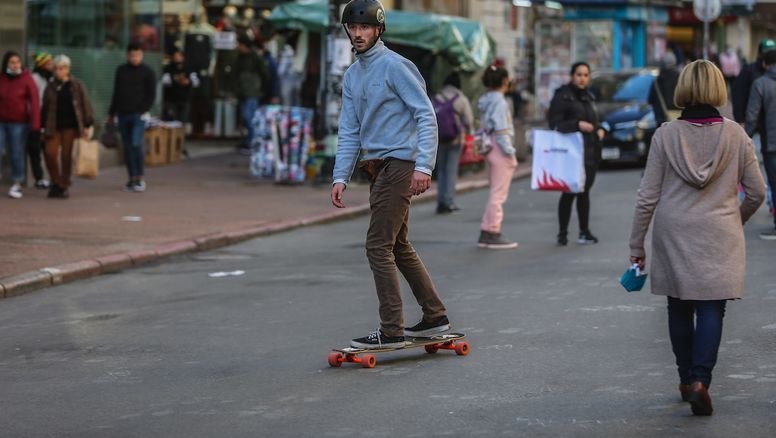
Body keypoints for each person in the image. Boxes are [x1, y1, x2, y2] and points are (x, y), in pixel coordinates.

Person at [630, 60, 766, 416]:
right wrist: (735, 219)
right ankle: (700, 381)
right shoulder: (736, 135)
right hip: (720, 231)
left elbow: (647, 196)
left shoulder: (665, 135)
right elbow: (757, 191)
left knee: (678, 304)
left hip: (674, 231)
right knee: (711, 307)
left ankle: (684, 378)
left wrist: (636, 245)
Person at [331, 0, 450, 349]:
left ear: (378, 30)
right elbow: (349, 129)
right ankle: (434, 316)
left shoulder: (397, 67)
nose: (357, 33)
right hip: (376, 168)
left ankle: (391, 329)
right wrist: (340, 176)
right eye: (352, 28)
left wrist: (424, 166)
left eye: (364, 27)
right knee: (397, 246)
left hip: (400, 164)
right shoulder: (353, 75)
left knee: (377, 246)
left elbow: (426, 117)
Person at [547, 62, 606, 246]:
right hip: (571, 154)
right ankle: (562, 233)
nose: (582, 78)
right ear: (572, 76)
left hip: (590, 151)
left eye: (586, 75)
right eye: (579, 74)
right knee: (569, 192)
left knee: (585, 192)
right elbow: (554, 124)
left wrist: (600, 129)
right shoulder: (562, 95)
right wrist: (577, 125)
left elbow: (595, 121)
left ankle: (584, 231)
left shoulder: (589, 96)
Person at [476, 66, 519, 249]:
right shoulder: (500, 102)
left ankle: (487, 230)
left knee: (495, 191)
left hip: (489, 146)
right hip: (500, 148)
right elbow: (502, 129)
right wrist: (510, 151)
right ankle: (492, 232)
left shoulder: (485, 100)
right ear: (504, 81)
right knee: (498, 194)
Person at [41, 55, 94, 199]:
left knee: (66, 156)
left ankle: (63, 185)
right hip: (53, 125)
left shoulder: (76, 84)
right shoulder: (50, 86)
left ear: (68, 69)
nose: (59, 71)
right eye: (57, 68)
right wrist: (41, 125)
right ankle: (56, 181)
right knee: (50, 153)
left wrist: (87, 124)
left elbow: (85, 104)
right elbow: (44, 107)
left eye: (62, 68)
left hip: (70, 126)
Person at [108, 43, 156, 193]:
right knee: (127, 147)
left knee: (136, 144)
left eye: (138, 55)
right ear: (128, 55)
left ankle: (139, 178)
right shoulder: (121, 71)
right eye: (132, 55)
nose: (135, 58)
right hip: (123, 114)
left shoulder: (148, 72)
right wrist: (111, 113)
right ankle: (131, 178)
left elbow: (151, 94)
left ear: (142, 55)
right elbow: (116, 92)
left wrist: (143, 109)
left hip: (138, 115)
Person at [745, 49, 776, 240]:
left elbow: (752, 116)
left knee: (775, 184)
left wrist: (744, 139)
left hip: (771, 144)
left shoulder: (761, 84)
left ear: (764, 64)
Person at [0, 51, 40, 199]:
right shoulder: (2, 78)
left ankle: (17, 183)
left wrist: (35, 124)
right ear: (6, 64)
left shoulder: (26, 79)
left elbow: (35, 102)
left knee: (16, 152)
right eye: (12, 62)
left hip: (19, 123)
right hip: (1, 121)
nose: (15, 65)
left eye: (17, 62)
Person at [433, 72, 473, 214]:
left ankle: (440, 201)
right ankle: (448, 201)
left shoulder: (437, 97)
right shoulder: (460, 99)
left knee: (442, 171)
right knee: (451, 170)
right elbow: (468, 121)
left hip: (439, 139)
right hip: (455, 139)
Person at [234, 35, 269, 147]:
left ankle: (253, 140)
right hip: (243, 90)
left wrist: (262, 89)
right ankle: (250, 139)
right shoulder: (241, 56)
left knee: (250, 117)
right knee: (246, 116)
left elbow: (264, 74)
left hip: (252, 91)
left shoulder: (255, 57)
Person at [733, 39, 776, 124]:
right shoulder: (748, 71)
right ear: (759, 54)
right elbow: (739, 96)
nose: (770, 55)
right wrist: (740, 120)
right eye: (767, 53)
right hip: (754, 125)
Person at [29, 51, 54, 190]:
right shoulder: (35, 78)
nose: (51, 65)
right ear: (42, 65)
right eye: (48, 63)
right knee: (35, 150)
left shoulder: (50, 79)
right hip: (36, 119)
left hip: (48, 119)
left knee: (49, 151)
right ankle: (39, 178)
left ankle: (52, 177)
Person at [162, 48, 199, 124]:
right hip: (171, 100)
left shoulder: (189, 69)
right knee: (172, 121)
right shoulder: (168, 68)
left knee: (183, 122)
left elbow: (196, 82)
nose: (177, 58)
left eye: (179, 56)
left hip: (185, 99)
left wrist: (188, 82)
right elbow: (164, 82)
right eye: (175, 56)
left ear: (183, 57)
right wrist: (175, 79)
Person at [648, 52, 681, 125]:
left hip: (660, 120)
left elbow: (650, 100)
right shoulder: (681, 79)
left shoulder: (657, 81)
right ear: (674, 63)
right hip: (677, 119)